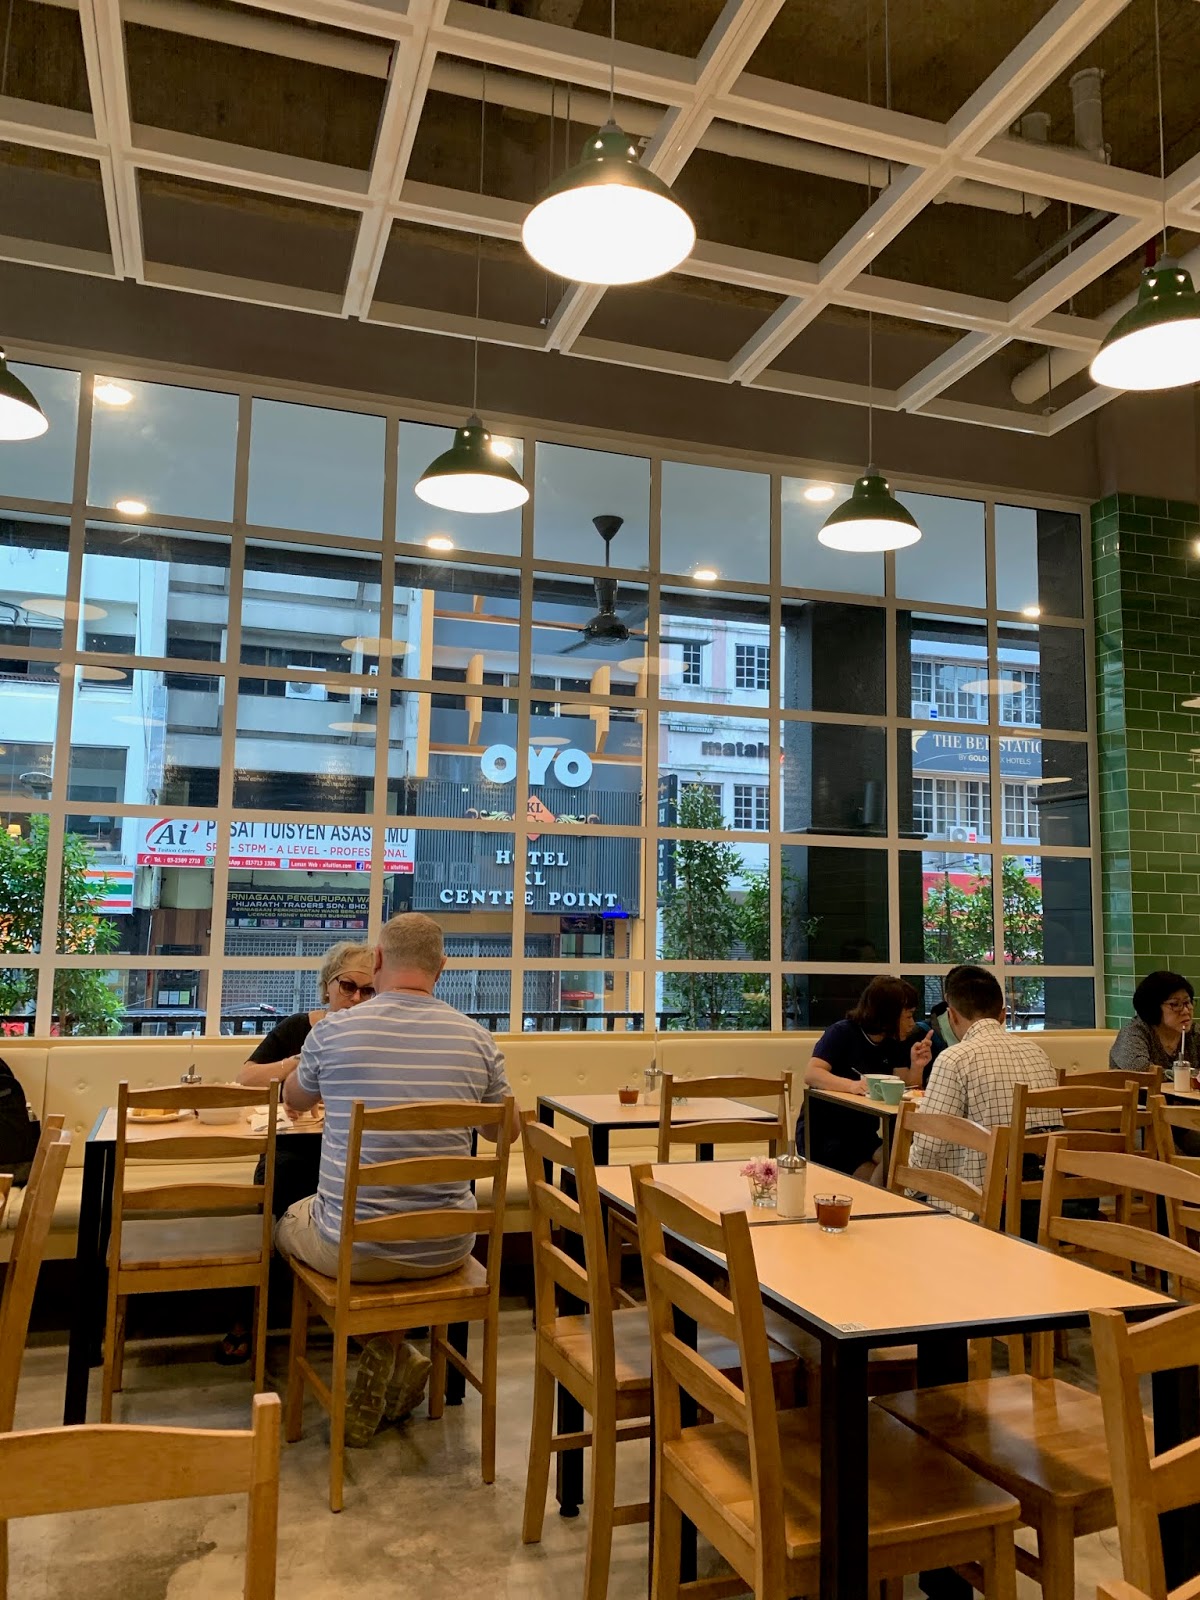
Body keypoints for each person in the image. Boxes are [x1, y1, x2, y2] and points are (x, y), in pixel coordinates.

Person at [277, 912, 517, 1447]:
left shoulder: (333, 1030)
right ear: (442, 968)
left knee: (286, 1218)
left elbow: (294, 1099)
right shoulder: (478, 1039)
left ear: (380, 958)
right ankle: (392, 1346)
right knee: (397, 1231)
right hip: (447, 1247)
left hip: (352, 1251)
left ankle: (377, 1348)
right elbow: (507, 1131)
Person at [214, 941, 376, 1367]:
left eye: (368, 991)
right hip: (293, 1149)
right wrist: (298, 1062)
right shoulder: (298, 1028)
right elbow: (246, 1078)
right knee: (277, 1189)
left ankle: (366, 1321)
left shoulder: (377, 1036)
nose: (356, 998)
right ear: (328, 988)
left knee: (373, 1197)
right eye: (348, 987)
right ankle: (249, 1317)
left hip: (351, 1153)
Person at [910, 965, 1059, 1221]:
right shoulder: (1037, 1052)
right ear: (1002, 1014)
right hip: (1043, 1200)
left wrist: (903, 1185)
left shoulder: (955, 1058)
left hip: (978, 1203)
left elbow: (930, 1144)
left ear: (952, 1015)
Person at [804, 976, 933, 1180]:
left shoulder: (894, 1042)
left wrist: (917, 1065)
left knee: (902, 1161)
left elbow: (905, 1086)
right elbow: (812, 1073)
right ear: (888, 1015)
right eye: (908, 1016)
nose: (912, 1024)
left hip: (864, 1135)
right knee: (887, 1175)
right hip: (827, 1135)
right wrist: (852, 1086)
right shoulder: (842, 1032)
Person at [1110, 971, 1198, 1075]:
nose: (1186, 1011)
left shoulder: (1195, 1033)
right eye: (1175, 1004)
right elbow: (1142, 1071)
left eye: (1187, 1002)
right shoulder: (1134, 1033)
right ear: (1153, 1008)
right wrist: (1185, 1075)